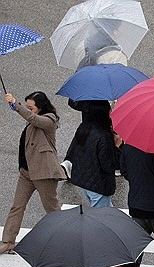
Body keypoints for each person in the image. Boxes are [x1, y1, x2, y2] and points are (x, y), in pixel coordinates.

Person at [0, 92, 66, 254]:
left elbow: (33, 119)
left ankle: (62, 242)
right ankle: (8, 241)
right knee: (17, 206)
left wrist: (17, 106)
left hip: (44, 174)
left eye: (31, 107)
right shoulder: (33, 117)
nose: (29, 110)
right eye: (27, 106)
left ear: (41, 107)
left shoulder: (50, 120)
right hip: (26, 172)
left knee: (52, 210)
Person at [64, 101, 121, 207]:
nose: (111, 113)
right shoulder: (104, 136)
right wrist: (117, 147)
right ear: (102, 113)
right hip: (99, 185)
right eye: (109, 111)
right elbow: (110, 165)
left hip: (85, 182)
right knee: (103, 219)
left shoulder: (84, 128)